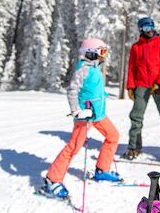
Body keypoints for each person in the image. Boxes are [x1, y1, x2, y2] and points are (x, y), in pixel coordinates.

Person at [41, 38, 121, 199]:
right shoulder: (83, 69)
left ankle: (102, 170)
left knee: (113, 136)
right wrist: (77, 111)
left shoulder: (94, 68)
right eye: (101, 52)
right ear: (91, 53)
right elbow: (72, 91)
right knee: (73, 147)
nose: (103, 56)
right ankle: (52, 180)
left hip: (98, 115)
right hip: (85, 117)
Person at [122, 17, 160, 163]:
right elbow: (132, 68)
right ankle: (134, 147)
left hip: (159, 85)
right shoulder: (136, 47)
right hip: (141, 85)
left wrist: (159, 83)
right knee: (136, 117)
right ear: (141, 30)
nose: (149, 31)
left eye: (151, 27)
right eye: (146, 28)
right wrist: (130, 86)